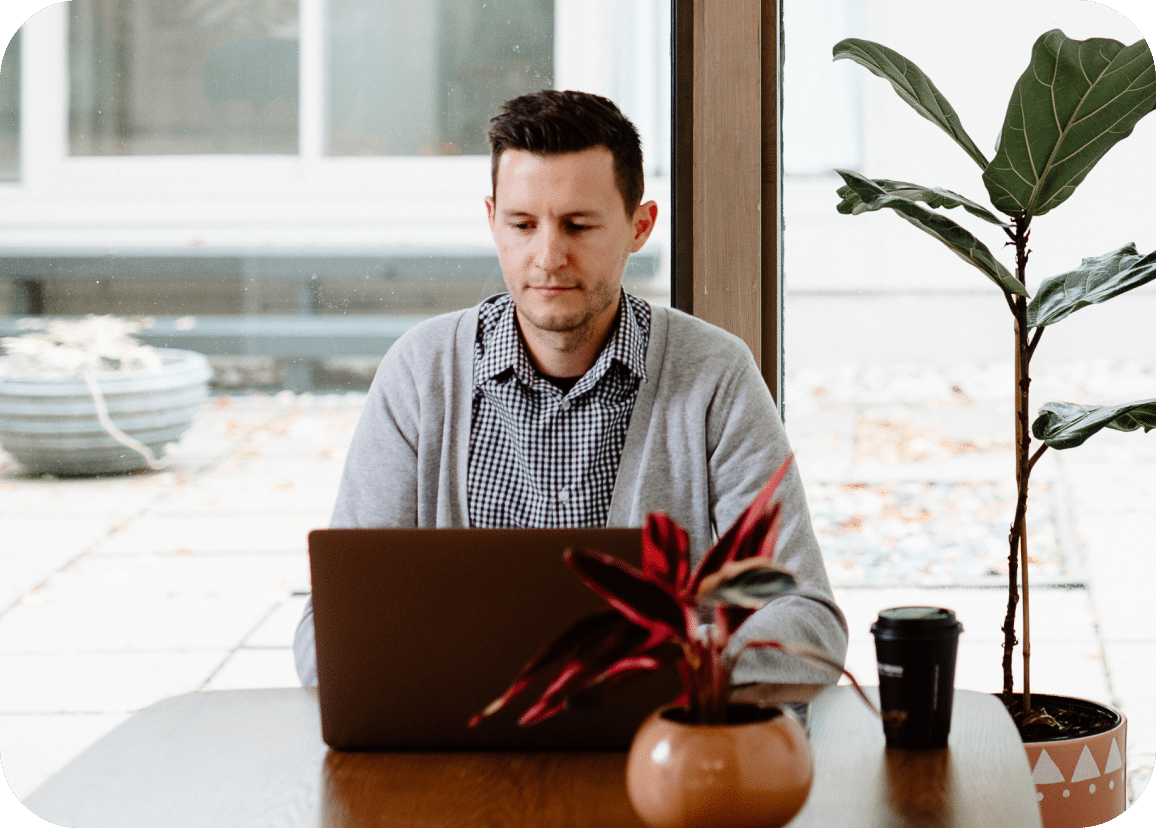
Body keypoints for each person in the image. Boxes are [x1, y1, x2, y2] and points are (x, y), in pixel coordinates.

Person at [294, 89, 847, 687]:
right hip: (460, 757)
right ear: (491, 221)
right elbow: (326, 635)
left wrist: (642, 669)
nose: (548, 256)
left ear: (639, 227)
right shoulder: (419, 373)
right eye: (522, 225)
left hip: (656, 756)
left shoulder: (713, 374)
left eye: (578, 226)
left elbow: (808, 621)